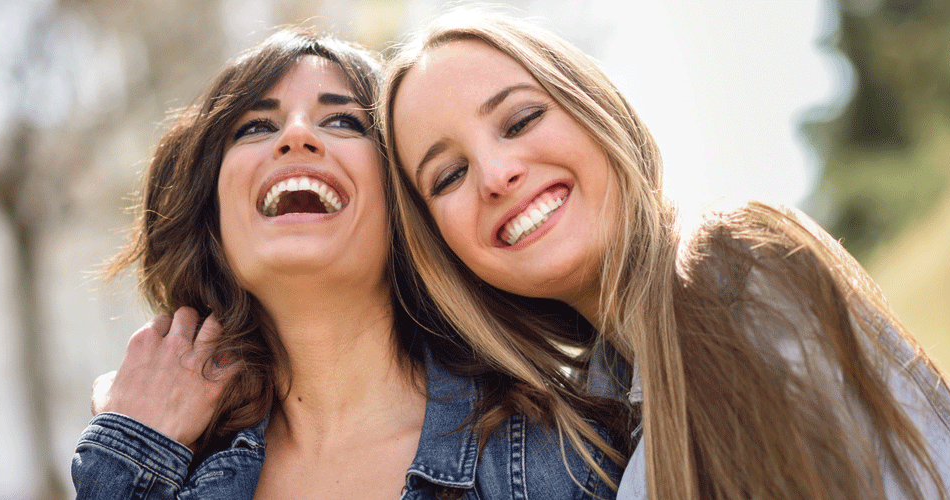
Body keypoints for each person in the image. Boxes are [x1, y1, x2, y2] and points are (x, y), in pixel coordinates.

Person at [380, 11, 950, 500]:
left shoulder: (729, 270)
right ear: (443, 251)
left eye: (519, 121)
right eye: (448, 176)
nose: (495, 174)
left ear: (592, 111)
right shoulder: (597, 417)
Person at [71, 27, 625, 499]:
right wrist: (131, 452)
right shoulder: (163, 465)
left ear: (405, 203)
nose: (295, 136)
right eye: (256, 127)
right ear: (212, 216)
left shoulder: (566, 453)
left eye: (343, 122)